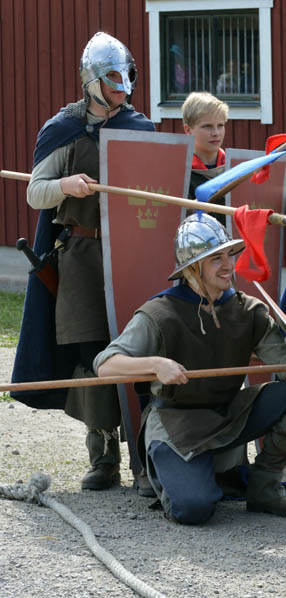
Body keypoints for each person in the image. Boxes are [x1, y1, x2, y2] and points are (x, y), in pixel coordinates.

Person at [93, 214, 286, 524]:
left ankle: (264, 486)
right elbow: (105, 366)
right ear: (191, 267)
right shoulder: (159, 312)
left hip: (229, 413)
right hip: (177, 424)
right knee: (194, 510)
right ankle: (169, 476)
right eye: (216, 258)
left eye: (230, 254)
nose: (228, 265)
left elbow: (282, 364)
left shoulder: (249, 310)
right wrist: (155, 364)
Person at [12, 32, 155, 492]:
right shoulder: (62, 129)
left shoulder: (140, 128)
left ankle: (146, 454)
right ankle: (103, 454)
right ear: (91, 80)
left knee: (135, 345)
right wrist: (65, 186)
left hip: (130, 252)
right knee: (89, 351)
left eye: (126, 75)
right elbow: (36, 191)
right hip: (80, 253)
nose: (122, 84)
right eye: (112, 76)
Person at [182, 92, 228, 205]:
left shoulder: (234, 168)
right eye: (207, 126)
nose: (216, 133)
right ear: (188, 130)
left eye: (220, 125)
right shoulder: (180, 172)